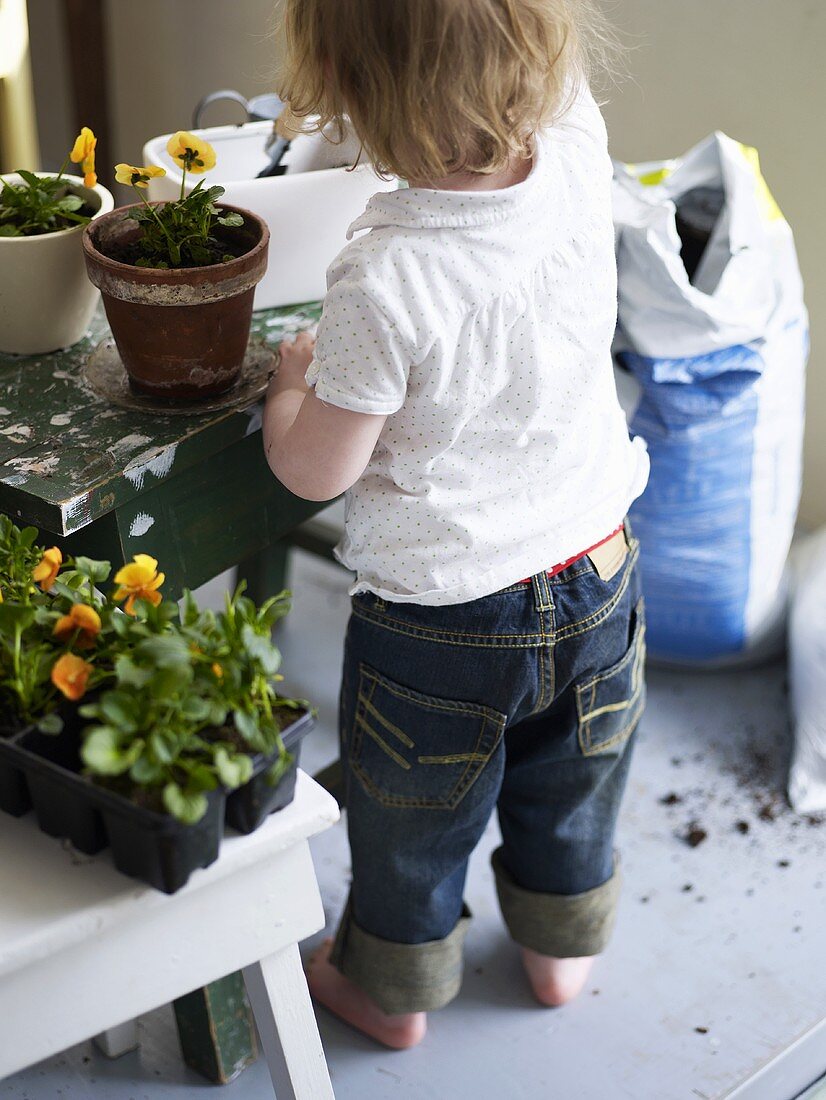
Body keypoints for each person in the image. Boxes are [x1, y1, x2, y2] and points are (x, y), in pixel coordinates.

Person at [263, 0, 650, 1051]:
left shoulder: (383, 276)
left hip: (445, 617)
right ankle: (561, 946)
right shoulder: (574, 137)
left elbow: (314, 469)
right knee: (576, 773)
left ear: (356, 94)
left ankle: (389, 990)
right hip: (599, 562)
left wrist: (289, 388)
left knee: (413, 814)